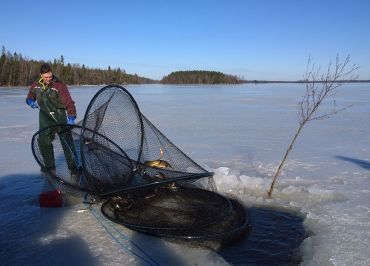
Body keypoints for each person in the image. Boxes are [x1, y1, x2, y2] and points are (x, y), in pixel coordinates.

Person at [26, 63, 79, 177]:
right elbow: (30, 95)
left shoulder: (59, 85)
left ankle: (74, 167)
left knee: (67, 141)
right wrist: (30, 101)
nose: (48, 79)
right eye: (46, 77)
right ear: (41, 75)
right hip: (44, 116)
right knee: (43, 141)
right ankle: (50, 167)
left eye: (50, 76)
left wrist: (71, 117)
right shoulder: (36, 85)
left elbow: (69, 102)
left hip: (59, 115)